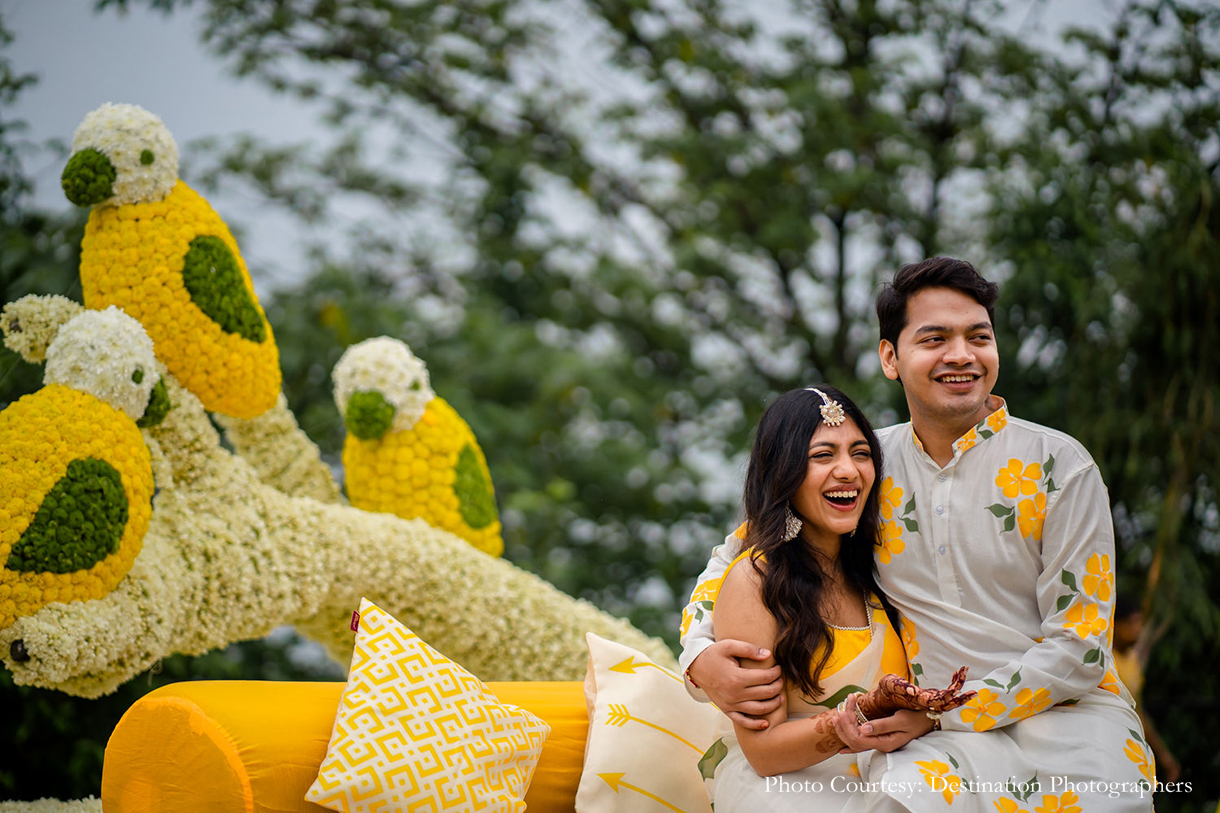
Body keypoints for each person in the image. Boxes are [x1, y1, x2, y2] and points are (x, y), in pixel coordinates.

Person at [681, 258, 1155, 811]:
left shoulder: (1060, 467)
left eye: (979, 337)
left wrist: (943, 710)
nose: (961, 355)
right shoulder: (866, 465)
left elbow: (1080, 646)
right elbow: (741, 555)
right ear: (890, 357)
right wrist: (698, 656)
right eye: (935, 339)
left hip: (1068, 722)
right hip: (930, 742)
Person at [703, 385, 974, 811]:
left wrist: (924, 715)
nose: (848, 471)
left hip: (891, 771)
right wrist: (856, 717)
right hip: (787, 788)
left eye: (860, 453)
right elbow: (763, 752)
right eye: (823, 455)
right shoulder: (755, 580)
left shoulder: (883, 569)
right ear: (784, 473)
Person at [1112, 596, 1181, 783]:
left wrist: (1164, 756)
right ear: (1115, 625)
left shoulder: (1132, 660)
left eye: (1139, 623)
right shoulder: (1105, 660)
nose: (1137, 629)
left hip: (1128, 750)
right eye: (1131, 623)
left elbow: (1138, 712)